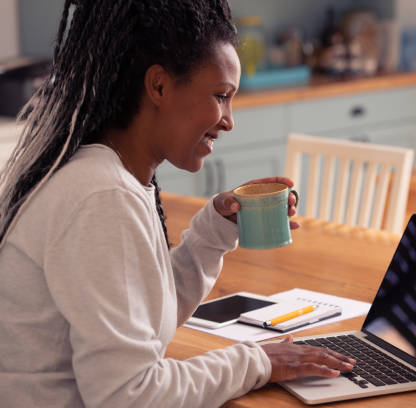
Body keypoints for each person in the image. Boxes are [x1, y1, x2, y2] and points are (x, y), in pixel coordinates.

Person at [0, 1, 354, 407]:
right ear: (160, 87)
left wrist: (214, 232)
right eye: (221, 96)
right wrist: (258, 360)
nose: (229, 120)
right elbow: (130, 396)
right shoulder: (102, 196)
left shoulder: (107, 174)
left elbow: (144, 321)